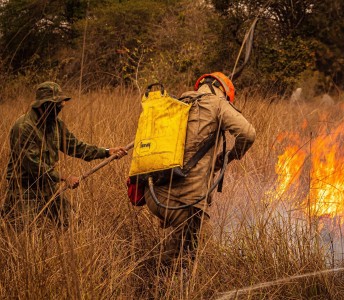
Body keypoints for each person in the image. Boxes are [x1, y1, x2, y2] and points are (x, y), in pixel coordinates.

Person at [144, 72, 256, 266]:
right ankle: (160, 279)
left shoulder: (179, 102)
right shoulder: (218, 104)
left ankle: (171, 278)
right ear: (225, 92)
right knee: (204, 251)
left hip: (154, 195)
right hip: (189, 202)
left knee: (186, 245)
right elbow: (247, 133)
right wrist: (230, 156)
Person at [2, 81, 127, 229]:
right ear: (43, 105)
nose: (62, 106)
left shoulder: (56, 124)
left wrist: (106, 152)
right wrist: (65, 178)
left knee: (73, 223)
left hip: (48, 187)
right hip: (24, 190)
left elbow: (76, 147)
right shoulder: (23, 127)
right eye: (57, 103)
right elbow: (34, 165)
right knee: (23, 233)